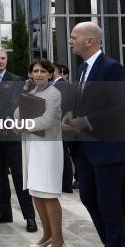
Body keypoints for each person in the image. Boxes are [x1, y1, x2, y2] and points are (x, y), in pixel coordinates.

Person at [63, 21, 125, 246]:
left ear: (89, 40)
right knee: (89, 199)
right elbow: (83, 103)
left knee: (111, 207)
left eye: (73, 37)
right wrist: (71, 116)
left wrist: (86, 121)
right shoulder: (81, 69)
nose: (70, 41)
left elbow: (120, 107)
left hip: (107, 152)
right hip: (84, 151)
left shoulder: (111, 68)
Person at [0, 46, 37, 232]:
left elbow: (14, 105)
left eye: (3, 58)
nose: (1, 61)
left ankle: (30, 217)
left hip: (10, 135)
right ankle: (4, 212)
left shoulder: (16, 80)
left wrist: (0, 124)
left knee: (20, 176)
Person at [14, 59, 64, 247]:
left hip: (48, 148)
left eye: (43, 71)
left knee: (48, 194)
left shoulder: (54, 94)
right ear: (30, 74)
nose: (38, 74)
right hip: (32, 147)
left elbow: (48, 120)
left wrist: (24, 124)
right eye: (35, 71)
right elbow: (17, 115)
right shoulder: (30, 93)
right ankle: (47, 234)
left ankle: (58, 240)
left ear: (50, 74)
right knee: (36, 193)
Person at [52, 63, 76, 193]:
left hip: (59, 124)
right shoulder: (69, 86)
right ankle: (67, 183)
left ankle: (65, 183)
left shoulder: (57, 87)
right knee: (66, 154)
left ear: (56, 72)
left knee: (63, 155)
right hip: (69, 124)